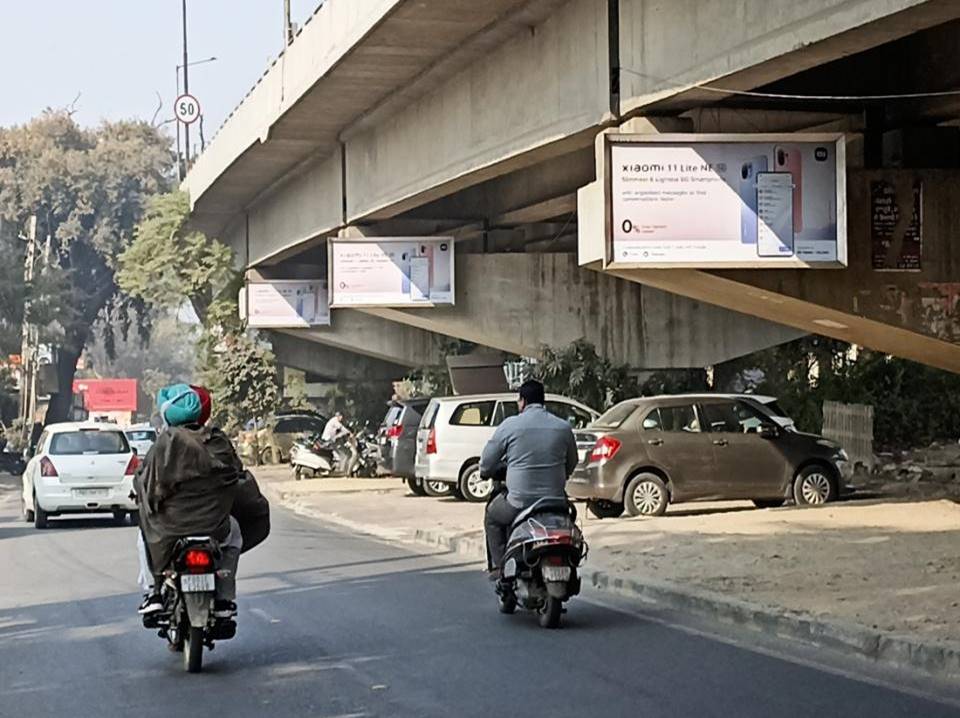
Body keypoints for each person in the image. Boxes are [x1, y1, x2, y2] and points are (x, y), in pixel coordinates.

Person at [135, 384, 256, 620]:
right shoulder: (219, 441)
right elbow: (236, 476)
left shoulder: (164, 443)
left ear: (168, 414)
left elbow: (146, 483)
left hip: (168, 528)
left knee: (143, 537)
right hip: (215, 525)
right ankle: (224, 597)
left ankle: (155, 592)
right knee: (236, 534)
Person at [479, 379, 579, 579]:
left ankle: (500, 568)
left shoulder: (510, 425)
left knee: (492, 516)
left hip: (519, 503)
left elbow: (486, 463)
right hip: (556, 502)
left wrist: (487, 471)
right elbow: (572, 463)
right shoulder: (562, 427)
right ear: (543, 401)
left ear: (522, 401)